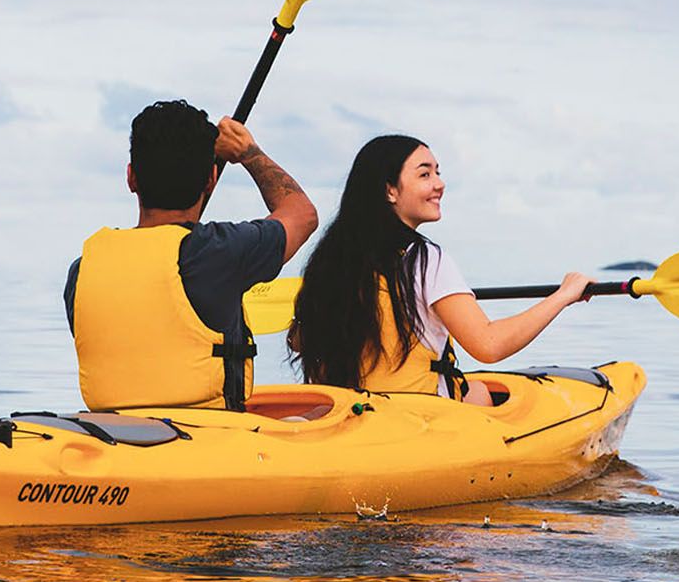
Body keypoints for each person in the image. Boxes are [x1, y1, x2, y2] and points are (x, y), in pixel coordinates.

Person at [287, 134, 589, 402]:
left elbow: (299, 341)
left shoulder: (331, 260)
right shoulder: (426, 258)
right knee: (479, 393)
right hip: (417, 419)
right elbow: (489, 345)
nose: (439, 184)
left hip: (347, 413)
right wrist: (562, 297)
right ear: (390, 190)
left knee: (478, 389)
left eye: (438, 173)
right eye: (425, 174)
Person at [66, 100, 317, 412]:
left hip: (108, 438)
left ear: (131, 178)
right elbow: (301, 215)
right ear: (211, 178)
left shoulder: (83, 270)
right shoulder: (220, 252)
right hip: (205, 437)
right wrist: (248, 152)